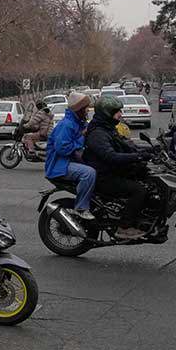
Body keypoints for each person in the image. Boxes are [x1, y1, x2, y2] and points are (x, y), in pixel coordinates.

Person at [85, 97, 152, 241]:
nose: (120, 114)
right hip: (104, 177)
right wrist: (138, 157)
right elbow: (111, 156)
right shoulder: (98, 134)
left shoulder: (108, 129)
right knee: (139, 190)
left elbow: (127, 145)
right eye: (117, 112)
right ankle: (124, 227)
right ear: (107, 113)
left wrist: (151, 150)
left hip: (116, 171)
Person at [44, 91, 97, 221]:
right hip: (59, 165)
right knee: (89, 173)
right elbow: (62, 148)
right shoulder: (67, 125)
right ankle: (81, 208)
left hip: (69, 162)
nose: (87, 111)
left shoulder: (78, 122)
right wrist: (82, 138)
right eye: (85, 109)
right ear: (79, 109)